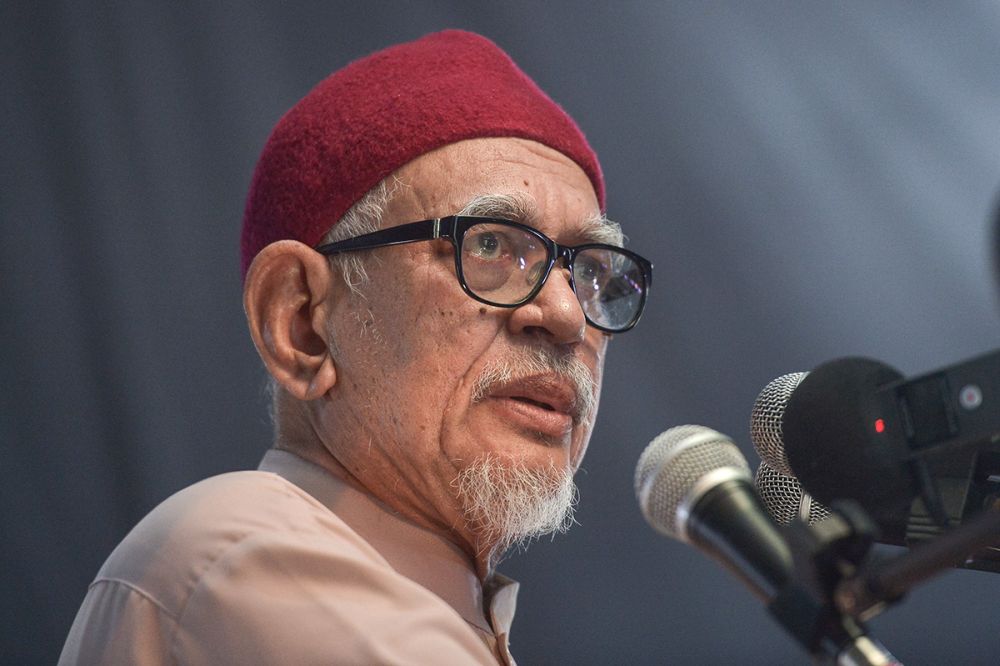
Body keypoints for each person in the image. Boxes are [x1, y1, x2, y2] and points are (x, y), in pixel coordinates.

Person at [59, 29, 652, 665]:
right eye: (489, 245)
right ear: (302, 323)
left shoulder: (442, 607)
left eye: (591, 270)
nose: (566, 316)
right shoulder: (243, 555)